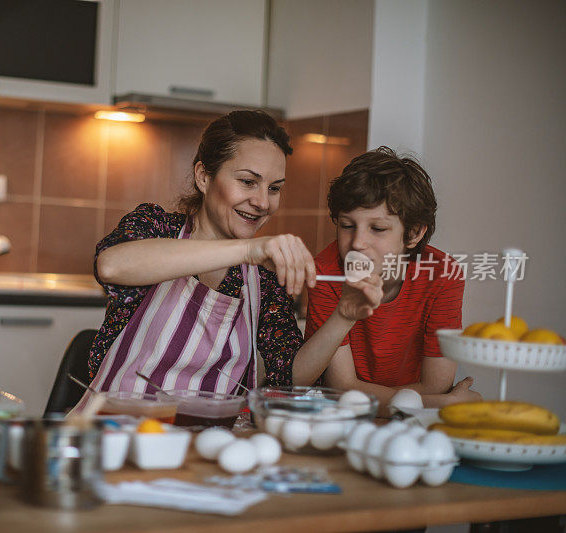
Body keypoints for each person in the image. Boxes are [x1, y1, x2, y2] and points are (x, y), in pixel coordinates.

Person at [80, 110, 382, 403]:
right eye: (248, 182)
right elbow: (111, 265)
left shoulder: (263, 279)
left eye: (274, 188)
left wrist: (344, 316)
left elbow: (287, 379)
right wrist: (249, 249)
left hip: (209, 443)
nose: (263, 202)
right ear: (203, 177)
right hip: (117, 435)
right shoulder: (157, 227)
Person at [305, 146, 482, 409]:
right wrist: (444, 404)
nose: (358, 242)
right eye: (346, 225)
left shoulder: (443, 274)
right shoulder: (326, 271)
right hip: (346, 416)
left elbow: (436, 382)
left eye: (377, 228)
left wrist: (431, 398)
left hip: (413, 421)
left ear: (413, 233)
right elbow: (341, 386)